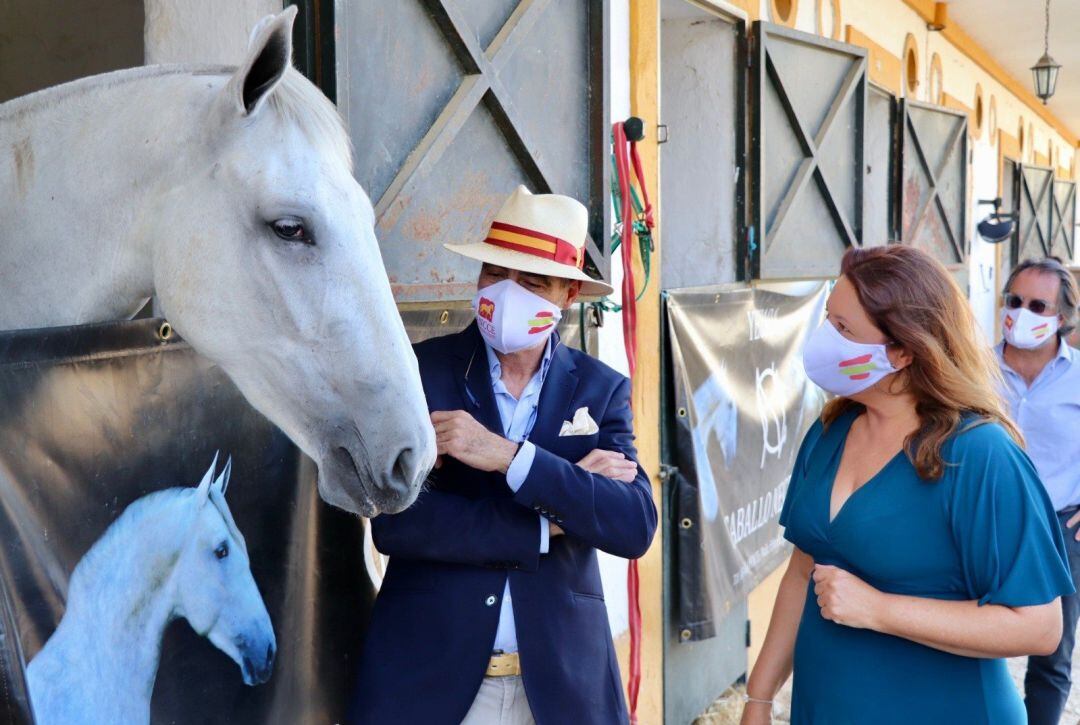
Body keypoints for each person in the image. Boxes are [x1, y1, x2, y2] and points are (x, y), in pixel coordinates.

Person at [352, 186, 657, 725]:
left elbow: (632, 524)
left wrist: (509, 457)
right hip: (430, 682)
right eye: (494, 272)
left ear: (567, 295)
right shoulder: (421, 373)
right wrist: (549, 522)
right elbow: (397, 527)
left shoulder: (599, 389)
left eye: (532, 281)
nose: (506, 292)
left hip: (561, 687)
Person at [740, 246, 1073, 725]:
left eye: (843, 329)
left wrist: (878, 609)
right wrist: (759, 696)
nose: (823, 342)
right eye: (827, 321)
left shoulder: (980, 455)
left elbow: (1040, 628)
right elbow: (802, 570)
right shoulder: (832, 430)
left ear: (902, 350)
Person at [996, 257, 1080, 725]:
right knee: (965, 637)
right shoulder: (973, 371)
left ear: (1062, 318)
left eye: (1036, 305)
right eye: (1014, 301)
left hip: (1060, 530)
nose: (1020, 313)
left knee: (1051, 656)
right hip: (984, 524)